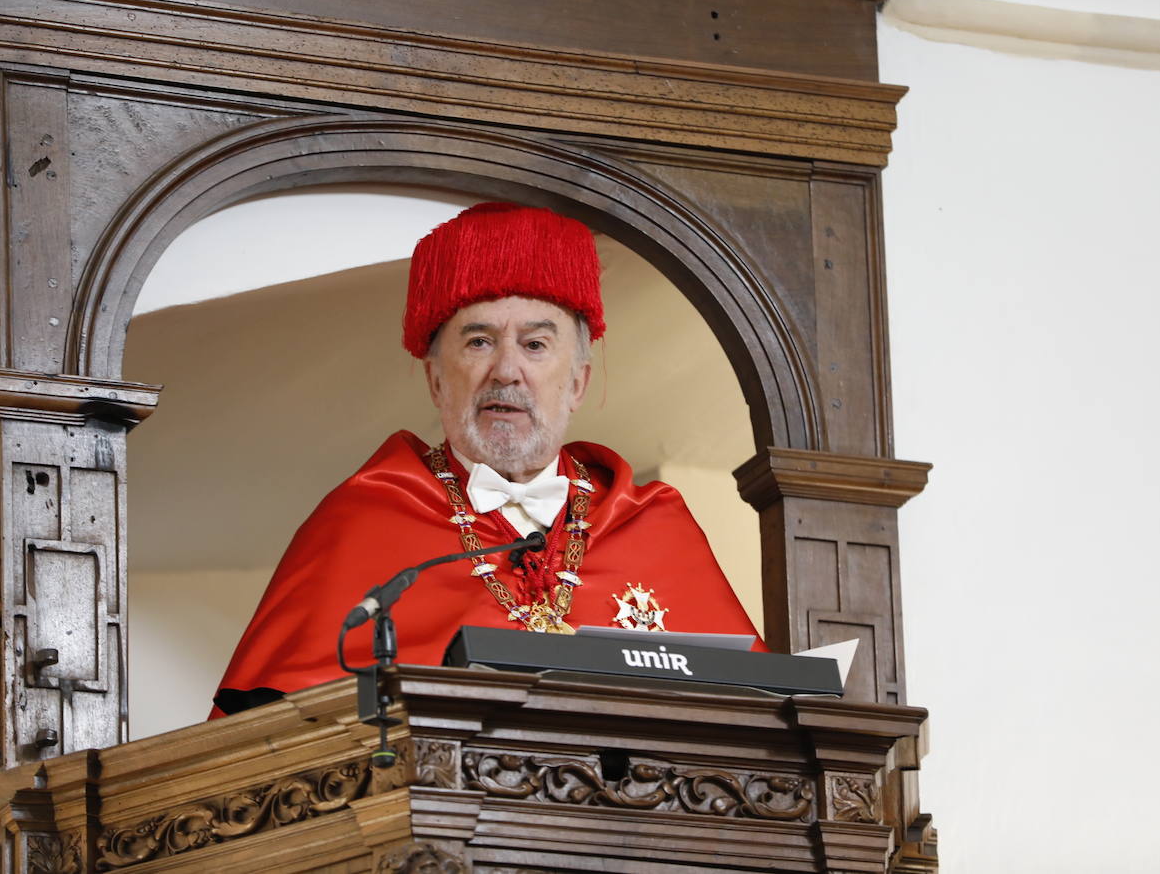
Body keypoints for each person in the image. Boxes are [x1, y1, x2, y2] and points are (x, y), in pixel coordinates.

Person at [211, 202, 764, 716]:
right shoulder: (361, 519)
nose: (506, 371)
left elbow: (762, 713)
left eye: (536, 345)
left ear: (577, 383)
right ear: (434, 380)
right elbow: (260, 741)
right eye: (478, 342)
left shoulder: (652, 523)